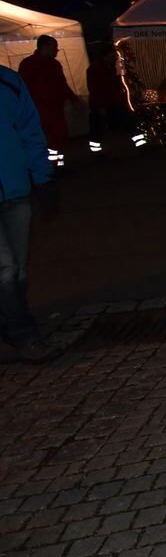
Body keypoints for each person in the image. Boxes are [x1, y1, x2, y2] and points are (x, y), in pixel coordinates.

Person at [0, 65, 56, 361]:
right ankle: (26, 336)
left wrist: (43, 177)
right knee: (6, 269)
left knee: (19, 269)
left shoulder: (8, 80)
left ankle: (9, 324)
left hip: (15, 189)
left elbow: (30, 131)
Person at [18, 35, 83, 168]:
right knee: (49, 138)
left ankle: (59, 164)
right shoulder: (29, 64)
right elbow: (25, 88)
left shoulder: (55, 64)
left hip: (56, 108)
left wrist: (73, 99)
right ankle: (50, 166)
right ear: (45, 46)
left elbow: (62, 84)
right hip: (40, 109)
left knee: (60, 135)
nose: (57, 50)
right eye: (54, 47)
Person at [85, 44, 127, 156]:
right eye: (112, 55)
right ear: (105, 56)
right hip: (101, 104)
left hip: (113, 103)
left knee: (125, 121)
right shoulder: (95, 69)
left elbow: (116, 86)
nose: (114, 58)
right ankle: (97, 153)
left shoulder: (112, 69)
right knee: (97, 130)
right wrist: (99, 106)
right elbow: (95, 89)